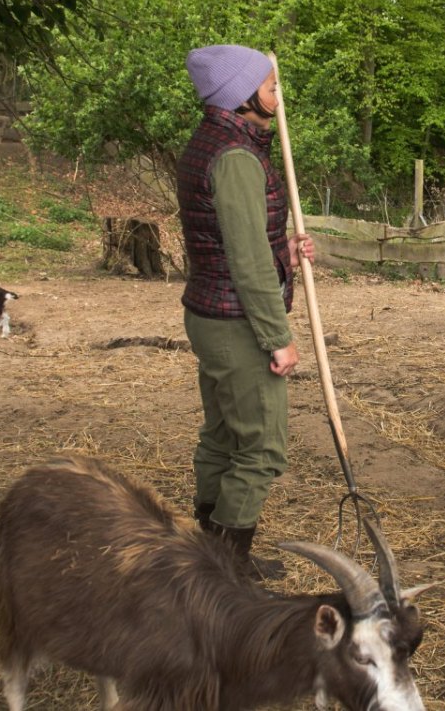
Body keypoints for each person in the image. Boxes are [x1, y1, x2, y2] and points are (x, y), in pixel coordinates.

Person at [177, 44, 314, 578]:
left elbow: (230, 238)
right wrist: (277, 336)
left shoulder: (213, 141)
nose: (278, 95)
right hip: (236, 325)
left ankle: (208, 554)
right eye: (272, 86)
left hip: (211, 314)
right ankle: (225, 572)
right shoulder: (236, 157)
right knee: (261, 449)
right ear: (243, 93)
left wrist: (284, 250)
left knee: (222, 436)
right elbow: (247, 259)